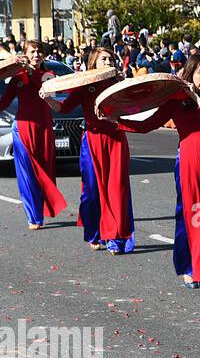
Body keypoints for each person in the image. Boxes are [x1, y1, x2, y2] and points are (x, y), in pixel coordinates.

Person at [116, 54, 200, 293]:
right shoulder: (175, 99)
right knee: (195, 217)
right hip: (188, 163)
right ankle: (192, 266)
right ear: (190, 73)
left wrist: (197, 98)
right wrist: (117, 121)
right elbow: (148, 124)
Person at [42, 47, 133, 253]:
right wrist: (46, 98)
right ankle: (95, 232)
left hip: (116, 140)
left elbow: (134, 107)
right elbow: (63, 108)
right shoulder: (84, 86)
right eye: (103, 59)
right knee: (92, 190)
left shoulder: (118, 84)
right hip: (92, 142)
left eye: (110, 58)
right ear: (93, 63)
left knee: (116, 189)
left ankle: (116, 238)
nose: (108, 61)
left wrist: (125, 84)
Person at [0, 41, 68, 229]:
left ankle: (42, 208)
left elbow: (53, 92)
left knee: (44, 170)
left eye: (39, 52)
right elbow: (4, 102)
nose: (36, 54)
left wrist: (45, 86)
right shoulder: (17, 77)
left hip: (44, 128)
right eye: (32, 52)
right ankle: (34, 216)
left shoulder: (49, 75)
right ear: (25, 54)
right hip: (22, 128)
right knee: (27, 173)